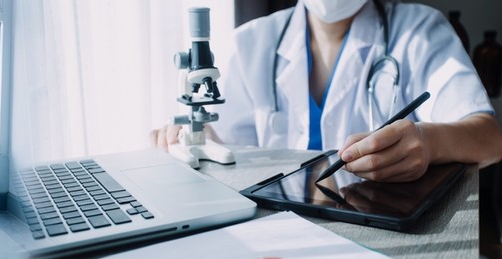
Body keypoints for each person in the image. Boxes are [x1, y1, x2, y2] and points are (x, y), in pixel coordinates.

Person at [152, 0, 502, 182]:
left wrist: (429, 142)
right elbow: (226, 146)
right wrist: (190, 139)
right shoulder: (250, 42)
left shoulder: (419, 30)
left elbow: (489, 138)